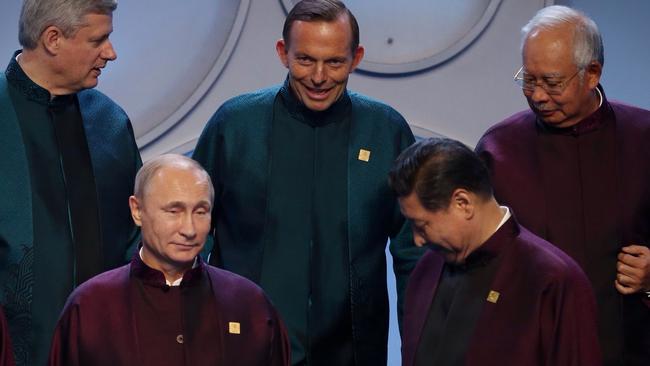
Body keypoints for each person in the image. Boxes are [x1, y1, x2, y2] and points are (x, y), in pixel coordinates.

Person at [192, 0, 422, 364]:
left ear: (356, 57)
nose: (319, 77)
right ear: (283, 53)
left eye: (334, 62)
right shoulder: (235, 126)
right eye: (305, 60)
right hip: (243, 346)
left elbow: (415, 250)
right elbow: (191, 232)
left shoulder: (386, 130)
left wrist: (421, 349)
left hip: (353, 352)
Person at [475, 5, 650, 365]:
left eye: (552, 83)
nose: (537, 95)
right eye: (528, 79)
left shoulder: (644, 138)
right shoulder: (498, 149)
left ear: (592, 74)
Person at [0, 0, 141, 364]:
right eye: (99, 40)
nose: (110, 53)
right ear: (52, 39)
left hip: (106, 346)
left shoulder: (109, 122)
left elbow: (136, 234)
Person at [47, 154, 290, 366]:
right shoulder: (90, 307)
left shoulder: (250, 304)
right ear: (137, 210)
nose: (189, 229)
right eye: (174, 211)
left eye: (201, 211)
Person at [389, 137, 601, 366]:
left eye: (422, 226)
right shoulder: (429, 267)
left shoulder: (553, 281)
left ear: (463, 203)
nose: (417, 240)